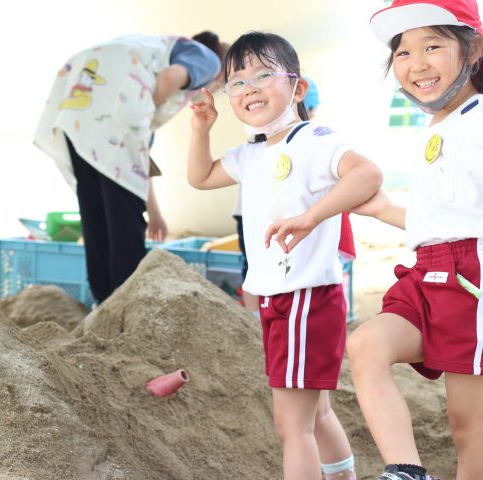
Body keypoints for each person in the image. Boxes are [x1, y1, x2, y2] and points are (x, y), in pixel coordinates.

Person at [187, 31, 383, 479]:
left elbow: (367, 174)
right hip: (285, 299)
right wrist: (201, 130)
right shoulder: (253, 153)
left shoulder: (313, 138)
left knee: (290, 426)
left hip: (305, 298)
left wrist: (312, 216)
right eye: (236, 81)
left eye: (263, 74)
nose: (249, 87)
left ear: (298, 88)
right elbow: (200, 177)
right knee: (315, 415)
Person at [346, 1, 483, 479]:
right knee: (366, 345)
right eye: (403, 52)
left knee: (469, 432)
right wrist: (382, 209)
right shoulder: (439, 124)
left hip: (472, 281)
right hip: (430, 271)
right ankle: (407, 471)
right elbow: (448, 218)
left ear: (474, 48)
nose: (417, 64)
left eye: (432, 45)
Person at [34, 31, 228, 304]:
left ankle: (103, 303)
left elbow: (135, 167)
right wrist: (143, 109)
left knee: (96, 215)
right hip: (112, 108)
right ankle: (126, 304)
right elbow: (170, 79)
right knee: (124, 226)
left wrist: (155, 214)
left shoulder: (150, 60)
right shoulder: (209, 62)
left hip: (80, 108)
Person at [233, 75, 325, 314]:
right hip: (252, 214)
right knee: (254, 262)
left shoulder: (313, 141)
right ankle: (255, 317)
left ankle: (262, 314)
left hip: (294, 218)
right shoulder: (256, 145)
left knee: (285, 260)